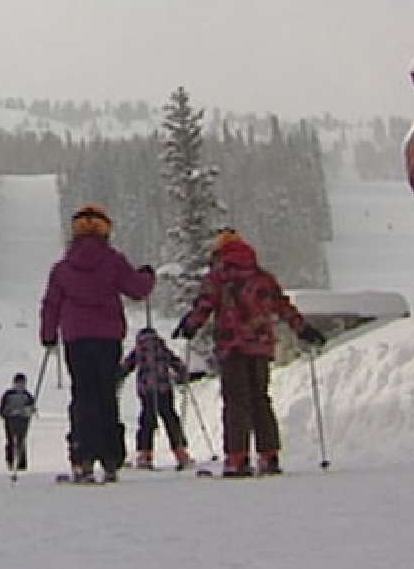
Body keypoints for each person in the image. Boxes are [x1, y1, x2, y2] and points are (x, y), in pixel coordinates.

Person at [176, 230, 325, 477]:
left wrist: (190, 325)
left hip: (232, 346)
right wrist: (303, 329)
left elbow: (204, 305)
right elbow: (282, 306)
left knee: (236, 403)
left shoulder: (218, 278)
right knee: (260, 399)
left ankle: (237, 458)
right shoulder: (263, 278)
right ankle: (269, 456)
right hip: (261, 347)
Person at [39, 203, 155, 483]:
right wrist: (148, 276)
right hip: (107, 337)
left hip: (76, 338)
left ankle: (82, 456)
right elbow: (137, 289)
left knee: (82, 395)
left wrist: (48, 334)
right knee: (106, 395)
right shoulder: (113, 261)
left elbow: (51, 304)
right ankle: (111, 457)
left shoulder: (63, 268)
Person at [118, 327, 194, 471]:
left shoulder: (139, 350)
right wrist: (183, 372)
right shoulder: (162, 348)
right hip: (164, 389)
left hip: (146, 390)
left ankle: (144, 454)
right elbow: (175, 362)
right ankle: (180, 452)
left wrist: (117, 376)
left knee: (147, 421)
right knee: (170, 419)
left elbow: (127, 366)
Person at [0, 373, 36, 471]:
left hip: (22, 420)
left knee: (21, 441)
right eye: (19, 383)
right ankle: (10, 461)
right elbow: (2, 409)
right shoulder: (8, 394)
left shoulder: (27, 395)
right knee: (10, 440)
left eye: (22, 383)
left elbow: (32, 407)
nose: (20, 385)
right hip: (10, 420)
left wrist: (28, 411)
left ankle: (21, 463)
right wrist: (9, 412)